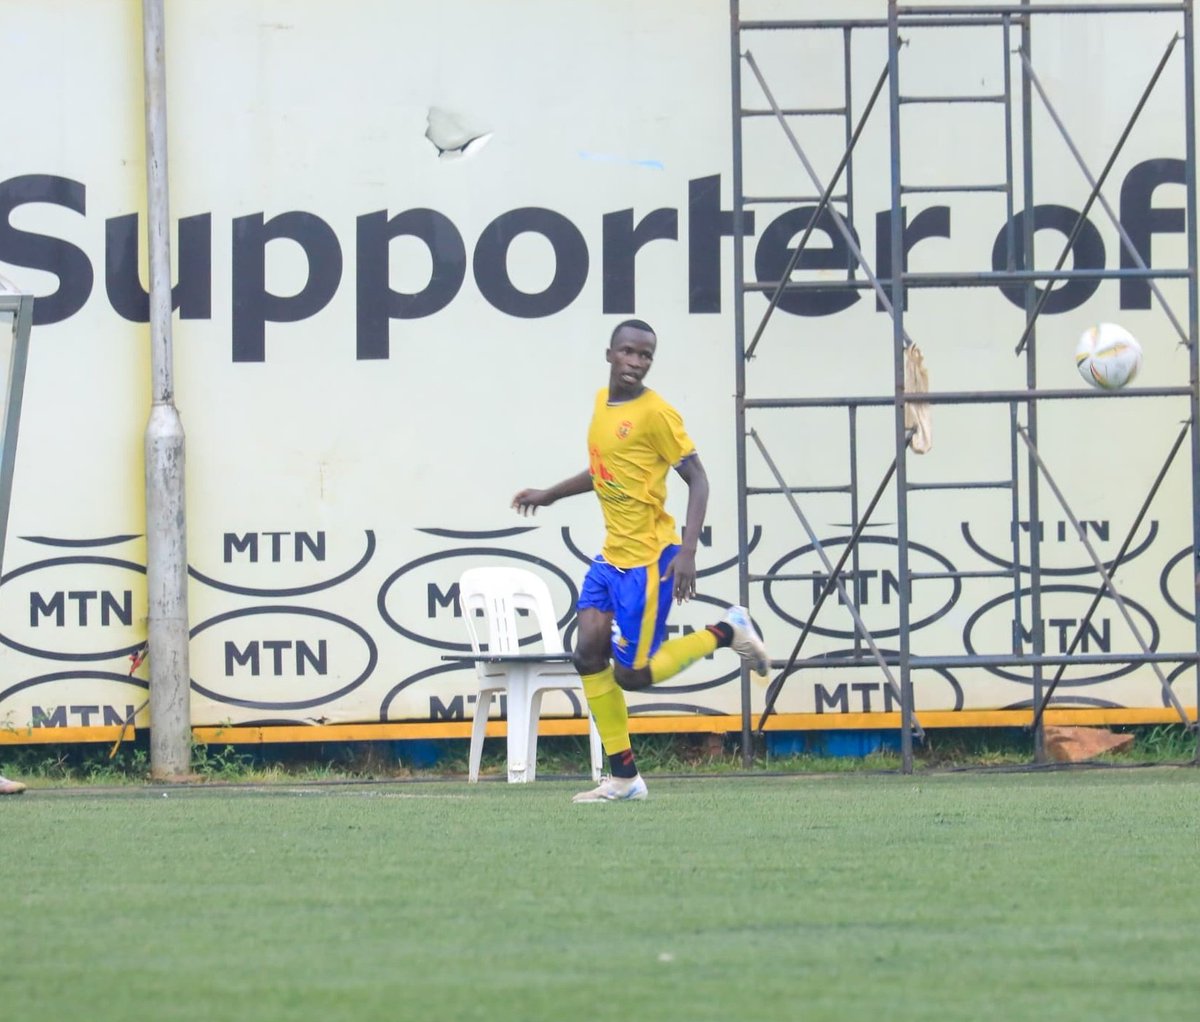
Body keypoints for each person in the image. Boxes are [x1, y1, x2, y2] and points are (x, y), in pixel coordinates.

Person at [512, 318, 769, 803]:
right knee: (587, 652)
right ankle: (624, 777)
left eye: (645, 355)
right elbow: (604, 471)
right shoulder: (601, 404)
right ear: (609, 354)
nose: (636, 362)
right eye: (628, 352)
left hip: (650, 560)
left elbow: (699, 479)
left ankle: (727, 631)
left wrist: (688, 550)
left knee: (631, 674)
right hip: (611, 558)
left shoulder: (657, 414)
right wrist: (549, 495)